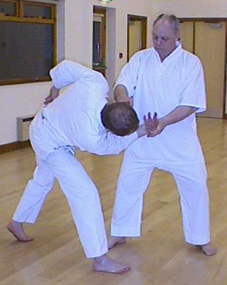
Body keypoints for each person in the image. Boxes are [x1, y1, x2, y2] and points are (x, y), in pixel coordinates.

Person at [7, 60, 154, 274]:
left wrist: (55, 88)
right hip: (50, 144)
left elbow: (65, 67)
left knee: (42, 180)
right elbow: (115, 146)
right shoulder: (91, 136)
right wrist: (142, 131)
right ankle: (99, 258)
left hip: (43, 124)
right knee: (85, 193)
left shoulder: (96, 83)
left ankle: (16, 223)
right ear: (109, 129)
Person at [108, 14, 217, 256]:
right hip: (143, 138)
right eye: (155, 37)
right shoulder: (141, 59)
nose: (158, 42)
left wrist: (164, 122)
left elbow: (190, 104)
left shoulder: (190, 63)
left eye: (164, 38)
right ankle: (120, 230)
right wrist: (123, 100)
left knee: (196, 187)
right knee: (127, 184)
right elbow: (122, 83)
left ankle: (200, 237)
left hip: (180, 141)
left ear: (178, 36)